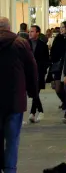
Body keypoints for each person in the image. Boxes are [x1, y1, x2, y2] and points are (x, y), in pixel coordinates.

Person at [0, 17, 38, 173]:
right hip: (15, 99)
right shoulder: (20, 43)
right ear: (10, 27)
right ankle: (10, 170)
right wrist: (33, 92)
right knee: (12, 140)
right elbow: (32, 69)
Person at [28, 25, 50, 123]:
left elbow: (46, 59)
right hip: (28, 71)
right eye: (30, 31)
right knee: (33, 92)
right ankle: (37, 111)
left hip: (39, 72)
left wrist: (43, 69)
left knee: (35, 91)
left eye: (32, 31)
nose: (30, 33)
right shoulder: (25, 44)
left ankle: (35, 112)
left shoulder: (42, 45)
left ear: (37, 33)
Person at [49, 21, 66, 113]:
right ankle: (65, 102)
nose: (61, 29)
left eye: (63, 27)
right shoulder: (58, 38)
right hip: (58, 65)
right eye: (60, 27)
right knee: (58, 88)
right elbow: (54, 51)